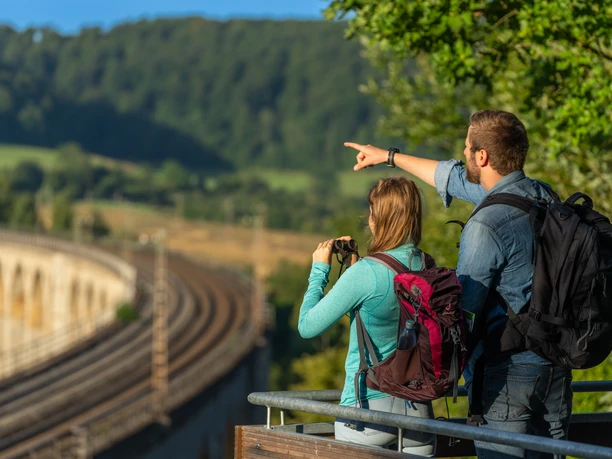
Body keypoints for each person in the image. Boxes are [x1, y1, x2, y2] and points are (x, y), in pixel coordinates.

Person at [345, 109, 573, 459]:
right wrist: (388, 157)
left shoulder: (486, 224)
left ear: (481, 157)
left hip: (507, 375)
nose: (463, 153)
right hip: (555, 368)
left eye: (468, 148)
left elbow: (462, 314)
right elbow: (450, 178)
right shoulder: (544, 198)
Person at [298, 176, 436, 456]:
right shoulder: (428, 266)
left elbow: (307, 326)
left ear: (378, 218)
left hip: (366, 416)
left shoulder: (365, 274)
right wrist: (355, 266)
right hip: (419, 416)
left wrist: (319, 272)